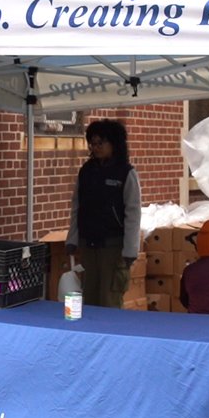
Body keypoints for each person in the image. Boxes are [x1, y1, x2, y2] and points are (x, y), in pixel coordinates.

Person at [65, 119, 141, 308]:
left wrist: (130, 249)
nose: (96, 147)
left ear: (114, 144)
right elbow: (77, 206)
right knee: (89, 298)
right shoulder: (86, 171)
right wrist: (72, 238)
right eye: (93, 143)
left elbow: (133, 212)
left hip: (113, 247)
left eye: (101, 143)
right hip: (88, 244)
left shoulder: (125, 173)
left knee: (109, 299)